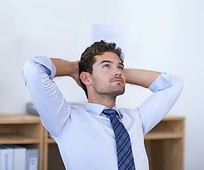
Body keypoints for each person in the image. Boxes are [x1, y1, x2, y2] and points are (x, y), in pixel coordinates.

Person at [22, 40, 183, 170]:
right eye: (106, 65)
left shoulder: (136, 119)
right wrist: (73, 69)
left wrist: (118, 75)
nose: (117, 71)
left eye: (120, 67)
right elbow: (33, 69)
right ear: (85, 78)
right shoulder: (66, 120)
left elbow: (174, 84)